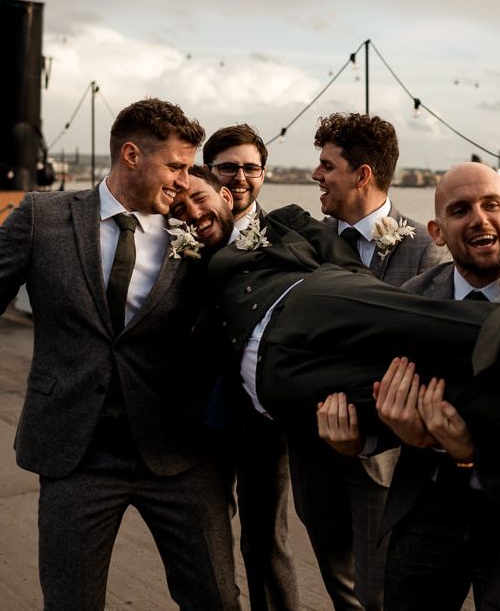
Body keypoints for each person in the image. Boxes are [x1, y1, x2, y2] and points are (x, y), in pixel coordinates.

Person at [0, 98, 240, 609]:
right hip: (75, 451)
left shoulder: (194, 229)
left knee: (216, 598)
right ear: (131, 155)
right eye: (174, 166)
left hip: (180, 454)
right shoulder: (42, 218)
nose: (182, 180)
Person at [319, 161, 500, 610]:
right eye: (460, 210)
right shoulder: (408, 300)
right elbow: (377, 401)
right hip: (428, 508)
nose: (478, 219)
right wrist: (357, 438)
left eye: (491, 205)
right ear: (437, 231)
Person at [290, 112, 448, 609]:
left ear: (362, 175)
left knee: (378, 589)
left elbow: (430, 350)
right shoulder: (303, 245)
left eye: (326, 165)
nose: (316, 174)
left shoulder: (424, 252)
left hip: (381, 458)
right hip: (312, 445)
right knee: (338, 582)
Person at [202, 124, 300, 611]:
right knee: (206, 547)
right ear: (209, 171)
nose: (240, 177)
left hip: (265, 421)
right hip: (198, 417)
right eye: (228, 167)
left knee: (266, 544)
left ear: (263, 175)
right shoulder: (181, 234)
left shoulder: (289, 236)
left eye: (250, 168)